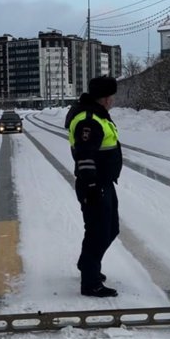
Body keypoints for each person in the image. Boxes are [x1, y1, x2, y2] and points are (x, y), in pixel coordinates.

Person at [65, 76, 122, 297]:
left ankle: (86, 264)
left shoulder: (97, 115)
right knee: (97, 232)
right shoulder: (88, 119)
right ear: (105, 98)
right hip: (94, 184)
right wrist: (91, 186)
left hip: (105, 183)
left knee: (111, 228)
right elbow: (84, 154)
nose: (113, 101)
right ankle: (90, 282)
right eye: (112, 96)